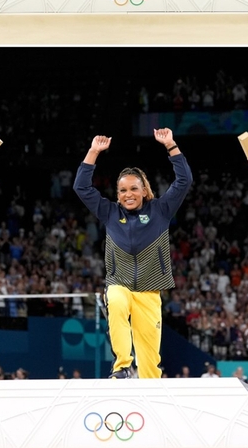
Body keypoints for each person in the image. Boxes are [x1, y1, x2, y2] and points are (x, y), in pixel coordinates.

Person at [74, 128, 192, 379]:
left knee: (150, 364)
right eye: (123, 191)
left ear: (144, 190)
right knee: (115, 301)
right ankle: (122, 367)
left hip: (149, 291)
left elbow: (184, 181)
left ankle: (152, 403)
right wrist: (93, 152)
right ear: (117, 195)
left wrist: (171, 146)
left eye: (134, 189)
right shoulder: (109, 213)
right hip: (120, 284)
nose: (128, 195)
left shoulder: (161, 210)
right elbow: (81, 187)